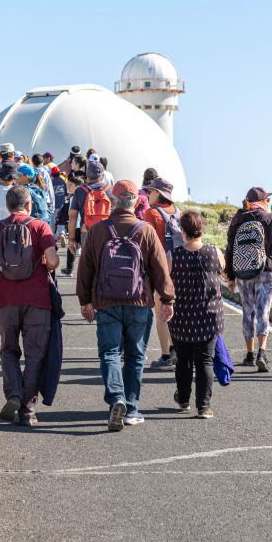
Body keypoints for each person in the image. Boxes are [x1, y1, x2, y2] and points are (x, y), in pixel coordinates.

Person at [76, 180, 175, 431]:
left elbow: (85, 268)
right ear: (135, 202)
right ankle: (131, 408)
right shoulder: (145, 230)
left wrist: (85, 300)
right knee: (136, 355)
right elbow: (160, 268)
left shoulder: (99, 230)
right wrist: (167, 299)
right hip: (139, 301)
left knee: (110, 352)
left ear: (112, 200)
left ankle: (116, 398)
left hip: (106, 301)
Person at [0, 184, 59, 427]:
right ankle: (27, 411)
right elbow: (51, 261)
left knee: (8, 350)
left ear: (8, 206)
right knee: (35, 355)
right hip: (37, 300)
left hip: (6, 299)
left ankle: (13, 394)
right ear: (29, 205)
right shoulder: (40, 226)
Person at [225, 187, 272, 372]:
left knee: (248, 311)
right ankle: (262, 353)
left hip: (243, 272)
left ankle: (249, 354)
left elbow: (230, 249)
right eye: (268, 200)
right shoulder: (270, 219)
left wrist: (231, 275)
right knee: (263, 311)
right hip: (267, 270)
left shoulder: (237, 220)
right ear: (264, 201)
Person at [169, 210, 225, 418]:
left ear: (183, 231)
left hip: (181, 316)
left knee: (183, 360)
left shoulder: (174, 255)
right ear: (201, 230)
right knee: (205, 361)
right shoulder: (214, 252)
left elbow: (165, 282)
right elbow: (223, 272)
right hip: (209, 315)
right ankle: (203, 406)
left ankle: (183, 399)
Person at [141, 177, 182, 371]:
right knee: (175, 312)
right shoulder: (179, 213)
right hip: (181, 268)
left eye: (150, 191)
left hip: (161, 269)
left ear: (158, 194)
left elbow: (150, 243)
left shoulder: (152, 214)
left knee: (161, 313)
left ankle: (166, 355)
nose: (148, 194)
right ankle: (176, 350)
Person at [64, 160, 112, 276]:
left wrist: (71, 239)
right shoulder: (110, 190)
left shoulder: (80, 191)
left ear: (87, 174)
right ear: (102, 174)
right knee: (105, 262)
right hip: (107, 231)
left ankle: (88, 290)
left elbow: (73, 217)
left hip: (86, 230)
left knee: (88, 264)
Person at [50, 165, 69, 246]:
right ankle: (61, 233)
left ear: (52, 174)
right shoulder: (62, 180)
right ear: (59, 173)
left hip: (54, 205)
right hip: (63, 204)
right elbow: (66, 193)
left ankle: (53, 238)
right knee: (61, 220)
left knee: (53, 221)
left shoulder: (51, 182)